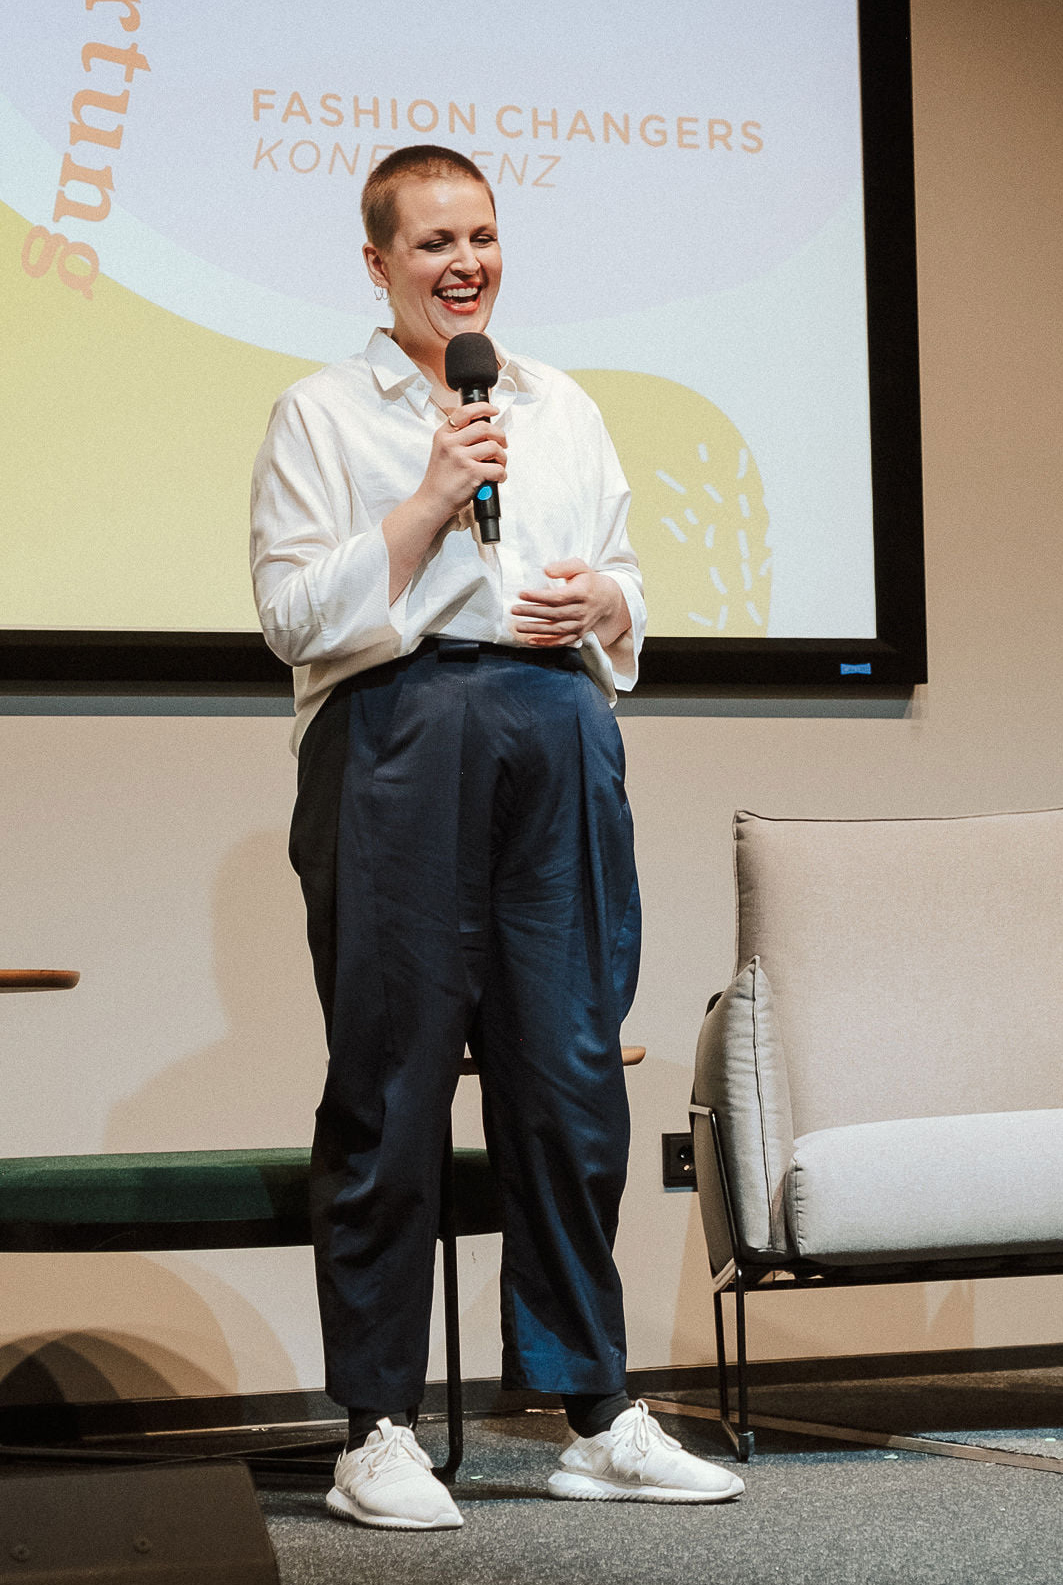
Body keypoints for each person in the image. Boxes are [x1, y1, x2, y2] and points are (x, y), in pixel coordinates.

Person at [250, 144, 743, 1530]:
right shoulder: (320, 412)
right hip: (397, 735)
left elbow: (629, 584)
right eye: (430, 243)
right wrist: (420, 501)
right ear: (377, 263)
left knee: (572, 1072)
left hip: (558, 736)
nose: (462, 263)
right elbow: (295, 617)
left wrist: (596, 603)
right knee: (392, 1080)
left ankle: (593, 1407)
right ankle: (377, 1425)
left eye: (479, 236)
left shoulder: (563, 403)